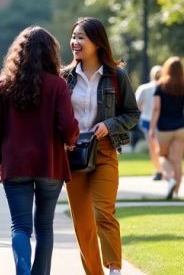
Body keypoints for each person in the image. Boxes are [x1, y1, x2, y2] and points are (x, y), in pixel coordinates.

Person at [0, 26, 79, 275]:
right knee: (45, 226)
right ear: (50, 52)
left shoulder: (4, 84)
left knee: (20, 226)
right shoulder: (58, 84)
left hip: (15, 164)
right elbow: (68, 125)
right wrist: (71, 139)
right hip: (50, 163)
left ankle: (23, 271)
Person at [62, 17, 139, 275]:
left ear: (97, 42)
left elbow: (132, 114)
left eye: (81, 37)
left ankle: (115, 269)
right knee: (83, 224)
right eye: (73, 36)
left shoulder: (117, 76)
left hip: (104, 150)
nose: (75, 42)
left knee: (103, 212)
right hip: (73, 155)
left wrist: (110, 125)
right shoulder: (65, 77)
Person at [151, 57, 184, 199]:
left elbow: (156, 109)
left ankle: (170, 179)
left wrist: (151, 128)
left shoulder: (160, 86)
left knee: (162, 156)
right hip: (180, 129)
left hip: (163, 130)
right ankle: (176, 194)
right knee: (177, 161)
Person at [134, 65, 163, 181]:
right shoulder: (165, 88)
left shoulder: (143, 88)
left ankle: (158, 171)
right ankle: (163, 170)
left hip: (146, 120)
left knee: (153, 148)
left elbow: (136, 105)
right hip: (162, 121)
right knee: (162, 148)